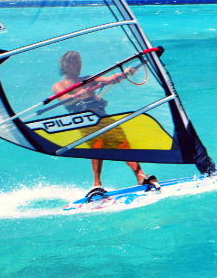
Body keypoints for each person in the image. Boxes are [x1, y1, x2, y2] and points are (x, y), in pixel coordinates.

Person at [53, 50, 159, 199]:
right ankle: (97, 184)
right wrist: (76, 96)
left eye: (80, 62)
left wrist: (126, 73)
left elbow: (110, 79)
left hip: (102, 117)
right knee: (97, 146)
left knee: (123, 143)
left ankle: (140, 176)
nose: (79, 65)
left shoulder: (88, 79)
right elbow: (64, 98)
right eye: (76, 62)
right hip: (85, 120)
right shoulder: (59, 85)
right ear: (66, 65)